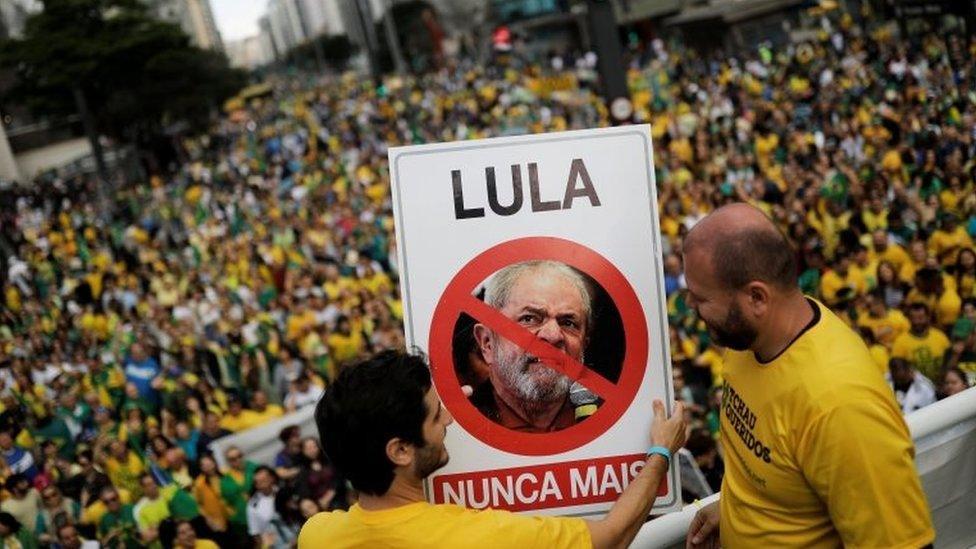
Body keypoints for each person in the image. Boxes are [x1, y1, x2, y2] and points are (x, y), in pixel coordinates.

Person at [682, 203, 933, 548]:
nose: (691, 309)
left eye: (700, 299)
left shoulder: (842, 406)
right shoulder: (748, 338)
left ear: (756, 297)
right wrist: (733, 509)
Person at [299, 350, 686, 548]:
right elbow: (612, 537)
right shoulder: (481, 537)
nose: (449, 420)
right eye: (436, 416)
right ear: (400, 451)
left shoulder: (317, 535)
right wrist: (661, 454)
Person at [471, 260, 595, 432]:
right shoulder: (454, 428)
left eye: (568, 322)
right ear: (487, 342)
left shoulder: (617, 421)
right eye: (529, 318)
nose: (553, 335)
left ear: (584, 344)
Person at [892, 303, 951, 381]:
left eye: (920, 318)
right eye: (913, 318)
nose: (916, 322)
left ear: (927, 317)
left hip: (941, 384)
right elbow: (897, 368)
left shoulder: (940, 336)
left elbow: (949, 359)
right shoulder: (900, 341)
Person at [246, 466, 295, 548]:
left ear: (272, 478)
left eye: (265, 479)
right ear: (256, 485)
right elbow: (256, 534)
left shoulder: (284, 491)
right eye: (259, 481)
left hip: (297, 536)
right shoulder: (253, 506)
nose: (263, 482)